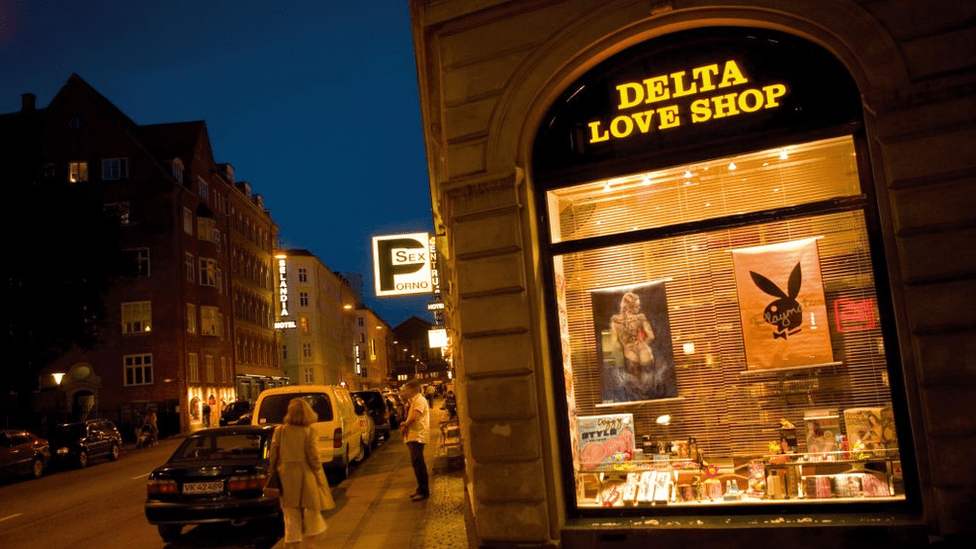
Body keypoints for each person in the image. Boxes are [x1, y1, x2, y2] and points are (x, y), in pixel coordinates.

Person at [269, 398, 333, 549]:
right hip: (306, 475)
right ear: (308, 413)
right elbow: (314, 456)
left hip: (286, 476)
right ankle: (310, 542)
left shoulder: (280, 431)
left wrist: (273, 470)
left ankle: (294, 545)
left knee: (291, 515)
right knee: (312, 510)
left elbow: (273, 455)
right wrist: (318, 471)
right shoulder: (310, 431)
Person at [399, 379, 430, 501]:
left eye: (407, 389)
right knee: (417, 463)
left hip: (417, 435)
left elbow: (415, 416)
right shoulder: (415, 401)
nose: (405, 391)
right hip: (414, 435)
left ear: (413, 389)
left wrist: (405, 425)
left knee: (418, 463)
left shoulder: (419, 400)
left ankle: (424, 491)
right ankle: (420, 489)